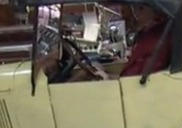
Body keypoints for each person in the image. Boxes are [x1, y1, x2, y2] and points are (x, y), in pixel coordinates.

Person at [43, 4, 172, 82]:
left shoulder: (154, 38)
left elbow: (132, 78)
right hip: (132, 82)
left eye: (140, 9)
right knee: (93, 70)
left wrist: (106, 78)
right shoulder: (152, 33)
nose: (135, 14)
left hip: (133, 88)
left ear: (153, 10)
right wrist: (106, 75)